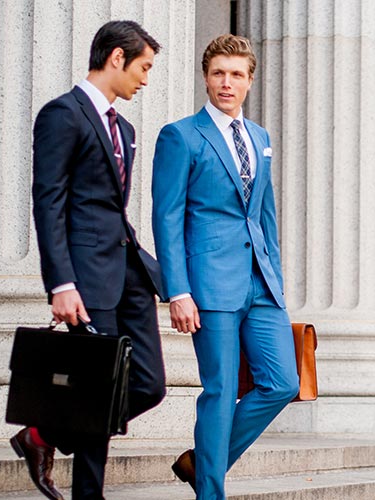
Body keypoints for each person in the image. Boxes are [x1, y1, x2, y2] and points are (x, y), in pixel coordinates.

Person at [16, 20, 166, 500]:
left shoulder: (125, 127)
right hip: (86, 275)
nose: (145, 79)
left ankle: (40, 436)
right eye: (142, 67)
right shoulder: (62, 114)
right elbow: (49, 202)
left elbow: (110, 204)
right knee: (97, 387)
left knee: (149, 384)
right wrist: (61, 283)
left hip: (129, 271)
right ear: (117, 58)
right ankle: (88, 495)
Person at [152, 34, 300, 498]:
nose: (226, 83)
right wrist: (178, 290)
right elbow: (167, 216)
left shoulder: (260, 138)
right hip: (209, 284)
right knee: (219, 392)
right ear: (206, 77)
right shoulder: (180, 135)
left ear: (250, 81)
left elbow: (265, 212)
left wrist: (274, 274)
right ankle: (210, 492)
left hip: (261, 284)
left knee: (282, 383)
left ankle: (202, 462)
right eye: (218, 73)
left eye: (236, 74)